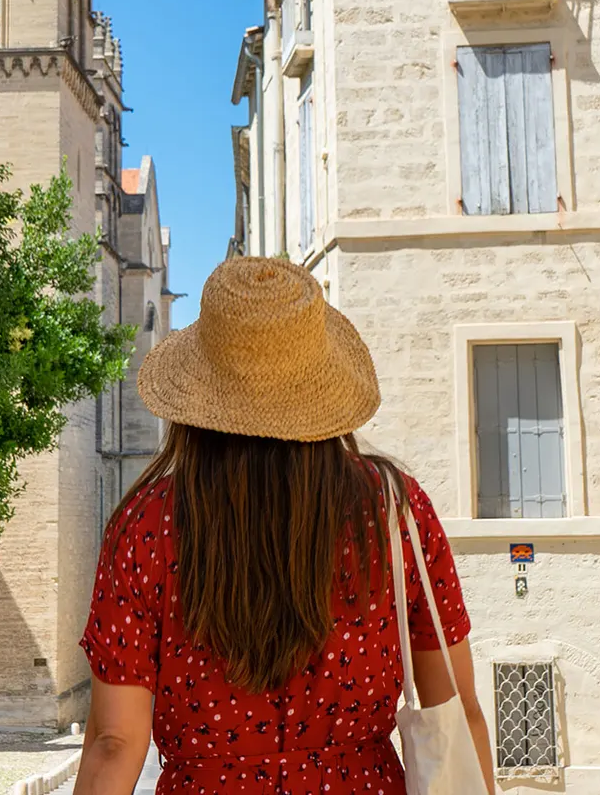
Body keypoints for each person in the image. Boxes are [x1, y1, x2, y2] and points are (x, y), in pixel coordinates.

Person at [72, 257, 497, 795]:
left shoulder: (146, 526)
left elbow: (115, 742)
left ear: (199, 391)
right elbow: (458, 713)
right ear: (321, 387)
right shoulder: (393, 511)